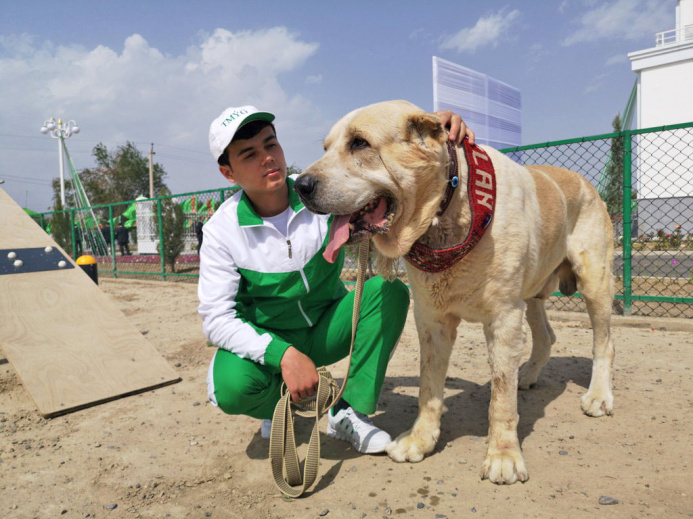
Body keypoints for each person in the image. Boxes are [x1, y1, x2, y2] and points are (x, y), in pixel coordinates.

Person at [198, 105, 474, 454]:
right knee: (232, 387)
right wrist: (283, 355)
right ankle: (278, 404)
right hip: (272, 339)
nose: (267, 159)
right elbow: (216, 319)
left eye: (271, 145)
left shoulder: (319, 189)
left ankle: (348, 412)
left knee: (388, 291)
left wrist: (431, 125)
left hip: (326, 329)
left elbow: (393, 151)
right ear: (228, 173)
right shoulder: (221, 231)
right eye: (249, 154)